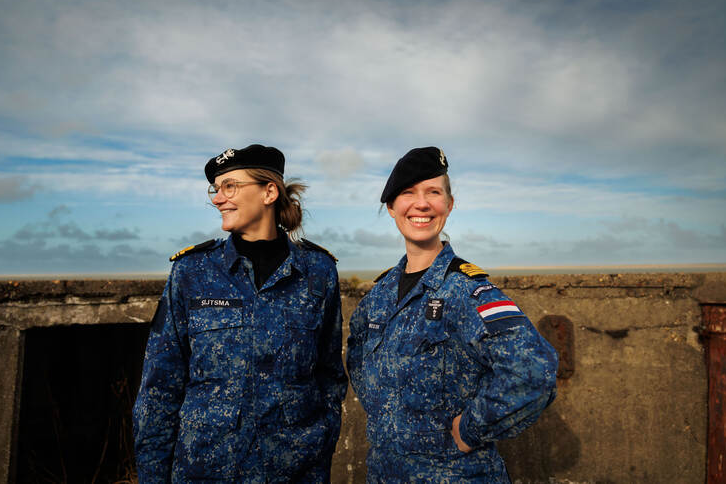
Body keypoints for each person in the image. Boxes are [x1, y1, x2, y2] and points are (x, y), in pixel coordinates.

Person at [133, 144, 348, 483]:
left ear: (269, 192)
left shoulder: (318, 272)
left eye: (230, 186)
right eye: (216, 190)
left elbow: (329, 374)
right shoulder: (192, 272)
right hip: (205, 470)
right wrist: (153, 476)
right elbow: (160, 386)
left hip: (295, 471)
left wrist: (318, 443)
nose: (218, 198)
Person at [346, 147, 557, 483]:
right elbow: (357, 354)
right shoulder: (379, 296)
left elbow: (533, 370)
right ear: (391, 207)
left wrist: (471, 428)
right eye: (408, 193)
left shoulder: (467, 290)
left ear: (450, 204)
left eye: (434, 192)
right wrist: (389, 413)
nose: (422, 204)